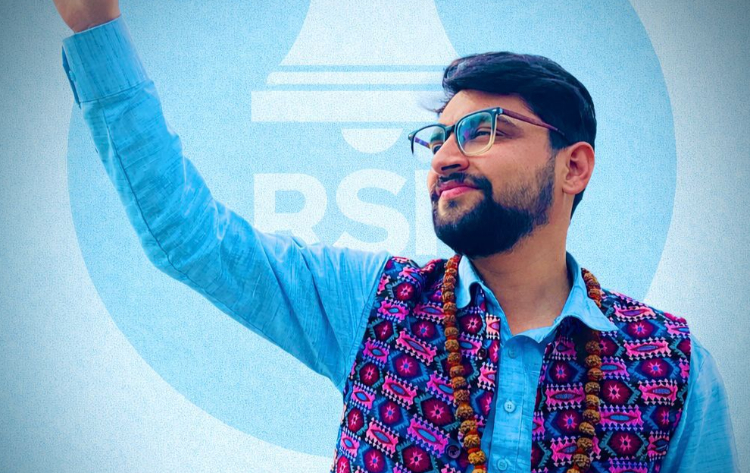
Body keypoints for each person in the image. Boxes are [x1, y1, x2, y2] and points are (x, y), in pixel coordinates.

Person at [54, 1, 739, 472]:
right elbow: (189, 235)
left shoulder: (673, 367)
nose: (446, 156)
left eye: (484, 130)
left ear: (574, 166)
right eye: (438, 137)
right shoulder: (372, 303)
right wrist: (95, 24)